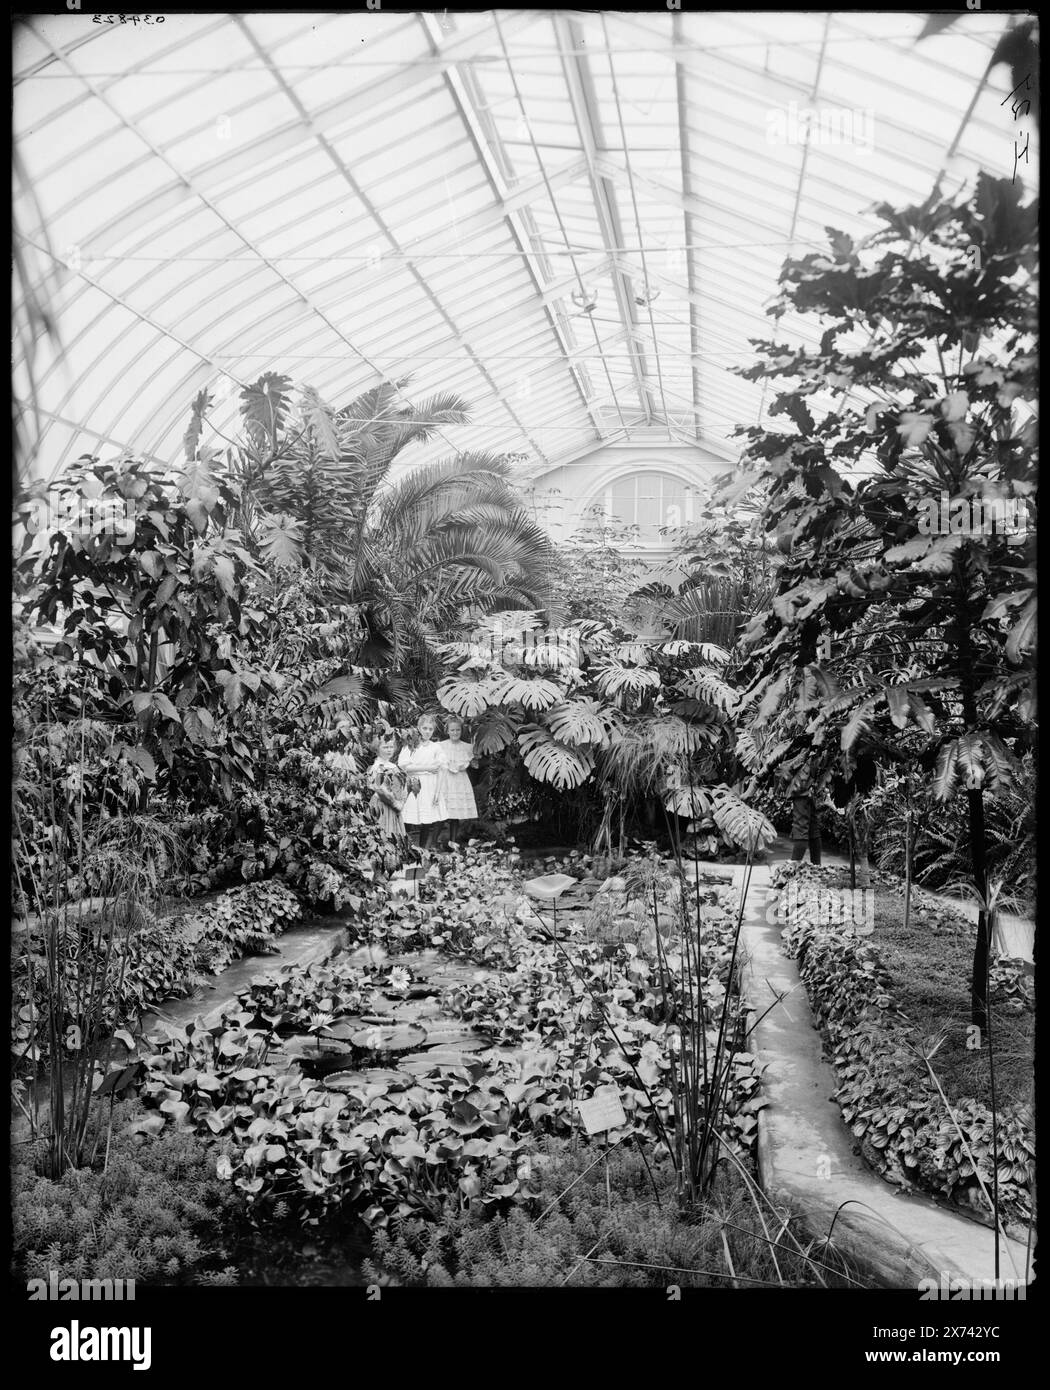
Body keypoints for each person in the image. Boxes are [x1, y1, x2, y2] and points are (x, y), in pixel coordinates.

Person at [398, 713, 447, 852]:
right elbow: (404, 766)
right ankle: (405, 849)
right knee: (408, 817)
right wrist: (427, 768)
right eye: (425, 728)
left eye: (430, 729)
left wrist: (437, 792)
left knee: (427, 819)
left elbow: (442, 768)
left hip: (430, 786)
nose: (427, 732)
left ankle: (422, 850)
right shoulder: (411, 745)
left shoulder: (436, 747)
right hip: (414, 784)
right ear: (419, 728)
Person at [366, 730, 409, 864]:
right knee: (382, 832)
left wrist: (401, 800)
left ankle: (392, 861)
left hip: (394, 804)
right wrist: (395, 803)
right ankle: (380, 863)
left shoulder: (393, 766)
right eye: (385, 747)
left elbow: (401, 785)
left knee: (394, 833)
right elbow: (380, 789)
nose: (389, 750)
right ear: (377, 749)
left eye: (391, 747)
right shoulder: (377, 767)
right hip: (382, 805)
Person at [438, 715, 478, 845]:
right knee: (442, 811)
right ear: (447, 731)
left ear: (461, 730)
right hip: (446, 781)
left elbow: (473, 761)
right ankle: (433, 843)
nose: (455, 733)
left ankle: (453, 842)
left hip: (460, 781)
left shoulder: (467, 747)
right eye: (452, 730)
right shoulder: (441, 746)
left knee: (455, 814)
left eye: (458, 730)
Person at [789, 760, 823, 865]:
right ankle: (817, 867)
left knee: (801, 828)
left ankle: (793, 868)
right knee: (813, 828)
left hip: (802, 783)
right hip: (810, 783)